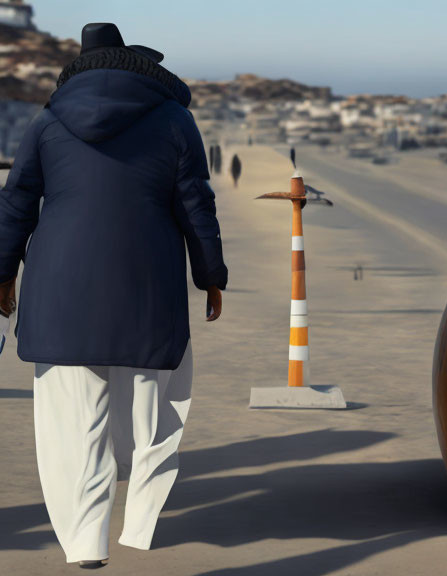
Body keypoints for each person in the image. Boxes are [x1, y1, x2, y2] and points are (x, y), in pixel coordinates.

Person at [0, 23, 227, 569]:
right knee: (157, 414)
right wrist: (210, 274)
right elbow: (195, 202)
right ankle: (141, 525)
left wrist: (3, 272)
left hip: (61, 290)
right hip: (150, 288)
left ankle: (85, 544)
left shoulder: (48, 119)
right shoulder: (175, 119)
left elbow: (17, 201)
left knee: (73, 424)